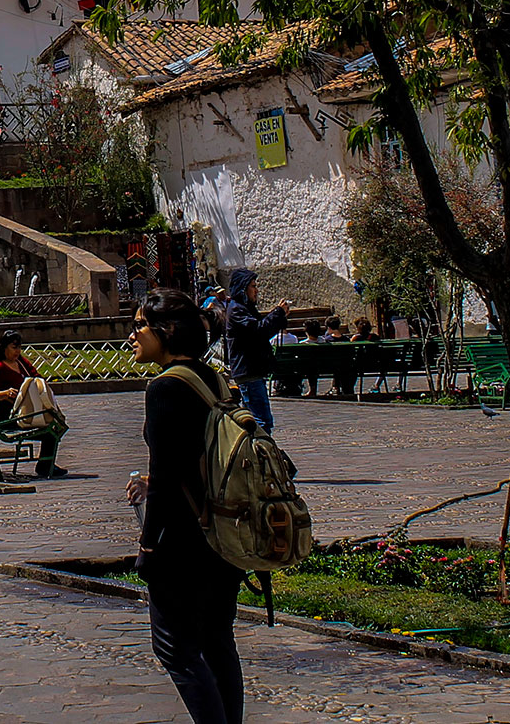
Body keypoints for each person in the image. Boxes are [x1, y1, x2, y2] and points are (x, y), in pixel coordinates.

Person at [125, 288, 247, 724]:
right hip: (224, 532)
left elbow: (167, 478)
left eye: (140, 325)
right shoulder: (213, 379)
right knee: (217, 642)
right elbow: (194, 457)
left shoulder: (165, 387)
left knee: (175, 649)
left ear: (167, 330)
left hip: (182, 540)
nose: (132, 334)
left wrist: (148, 547)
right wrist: (155, 479)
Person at [0, 331, 68, 478]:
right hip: (8, 416)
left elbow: (37, 377)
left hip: (27, 411)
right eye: (13, 347)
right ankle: (45, 466)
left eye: (19, 347)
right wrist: (3, 394)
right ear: (4, 348)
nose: (17, 351)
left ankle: (46, 464)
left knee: (56, 424)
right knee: (49, 432)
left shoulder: (22, 363)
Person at [219, 270, 289, 432]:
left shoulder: (244, 308)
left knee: (256, 419)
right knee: (262, 421)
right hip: (248, 371)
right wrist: (277, 313)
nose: (256, 290)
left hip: (252, 370)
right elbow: (258, 331)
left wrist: (279, 315)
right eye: (252, 286)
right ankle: (260, 454)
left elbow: (261, 329)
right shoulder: (237, 310)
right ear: (243, 289)